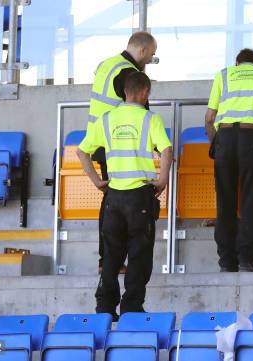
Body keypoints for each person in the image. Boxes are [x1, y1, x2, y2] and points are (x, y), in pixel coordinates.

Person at [77, 72, 173, 320]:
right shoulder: (150, 119)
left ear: (124, 93)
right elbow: (166, 149)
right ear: (144, 92)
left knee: (111, 256)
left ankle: (105, 309)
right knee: (139, 254)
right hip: (139, 196)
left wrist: (98, 181)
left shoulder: (106, 119)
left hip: (113, 198)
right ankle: (131, 308)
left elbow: (82, 151)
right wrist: (162, 179)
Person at [89, 31, 157, 310]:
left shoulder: (106, 64)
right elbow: (139, 111)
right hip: (120, 148)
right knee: (120, 210)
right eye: (151, 56)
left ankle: (108, 263)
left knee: (111, 203)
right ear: (142, 51)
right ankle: (111, 260)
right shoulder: (128, 73)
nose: (150, 60)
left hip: (102, 140)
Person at [204, 48, 253, 272]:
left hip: (225, 138)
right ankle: (248, 259)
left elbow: (209, 118)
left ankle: (227, 262)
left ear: (237, 63)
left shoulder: (223, 75)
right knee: (250, 199)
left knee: (225, 201)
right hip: (252, 138)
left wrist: (216, 142)